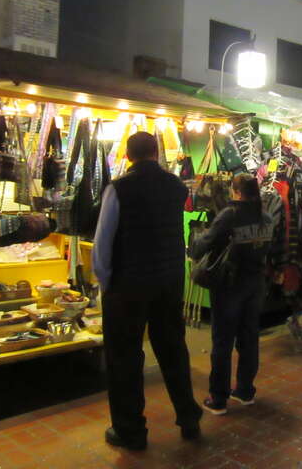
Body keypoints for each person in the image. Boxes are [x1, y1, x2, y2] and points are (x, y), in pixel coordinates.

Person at [92, 132, 202, 451]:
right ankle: (188, 417)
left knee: (125, 357)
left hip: (128, 285)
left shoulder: (118, 189)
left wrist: (105, 282)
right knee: (173, 349)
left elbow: (102, 243)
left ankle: (130, 430)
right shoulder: (176, 187)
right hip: (168, 281)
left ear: (128, 156)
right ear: (156, 153)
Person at [189, 173, 275, 415]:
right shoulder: (266, 217)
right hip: (255, 284)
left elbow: (204, 244)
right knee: (249, 338)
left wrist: (193, 241)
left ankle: (218, 398)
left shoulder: (231, 214)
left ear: (236, 192)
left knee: (223, 341)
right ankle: (245, 390)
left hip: (229, 285)